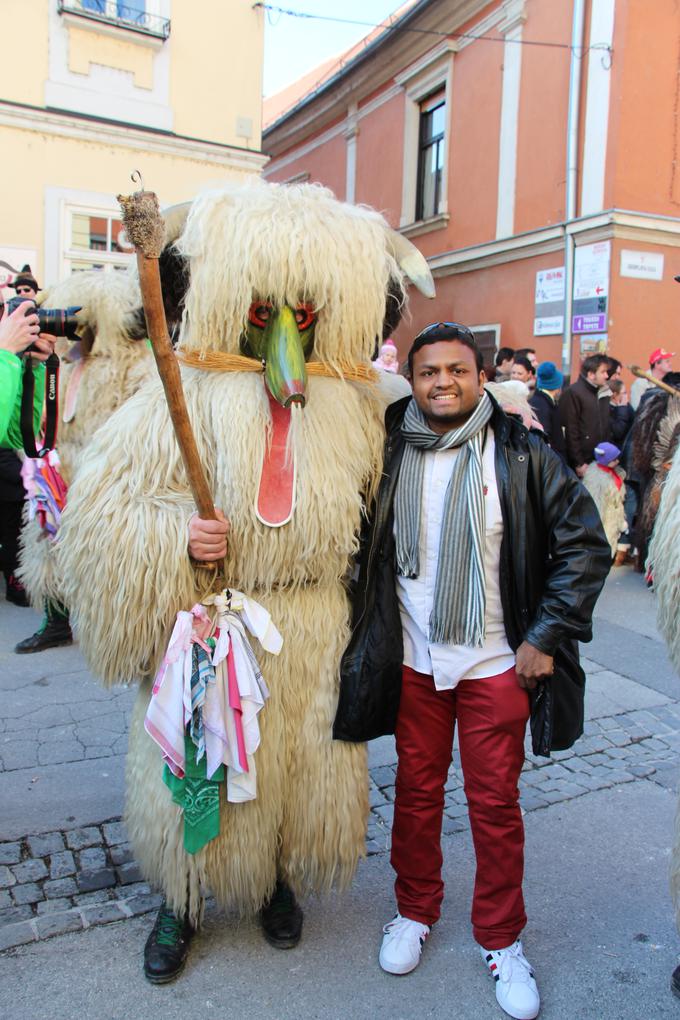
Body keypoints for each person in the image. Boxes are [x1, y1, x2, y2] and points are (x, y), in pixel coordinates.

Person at [56, 180, 435, 985]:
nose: (288, 332)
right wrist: (175, 537)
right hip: (213, 622)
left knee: (298, 768)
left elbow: (427, 466)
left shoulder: (361, 406)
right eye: (267, 311)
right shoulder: (181, 394)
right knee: (198, 768)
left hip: (314, 626)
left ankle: (274, 882)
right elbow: (102, 512)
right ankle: (182, 899)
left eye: (305, 311)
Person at [335, 322, 610, 1020]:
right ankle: (414, 911)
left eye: (456, 370)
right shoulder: (386, 449)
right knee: (417, 798)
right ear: (414, 379)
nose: (442, 383)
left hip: (496, 662)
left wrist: (545, 636)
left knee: (494, 809)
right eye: (428, 372)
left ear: (480, 376)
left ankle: (502, 939)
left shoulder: (522, 452)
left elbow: (585, 547)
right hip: (415, 662)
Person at [558, 353, 611, 477]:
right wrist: (579, 462)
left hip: (601, 458)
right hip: (583, 462)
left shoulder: (603, 392)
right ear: (591, 374)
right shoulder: (573, 393)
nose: (607, 376)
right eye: (603, 372)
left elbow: (606, 426)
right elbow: (571, 429)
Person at [582, 442, 628, 561]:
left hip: (613, 516)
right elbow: (595, 501)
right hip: (603, 518)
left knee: (610, 540)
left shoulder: (614, 473)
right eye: (614, 459)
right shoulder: (596, 478)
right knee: (602, 542)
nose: (617, 462)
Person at [529, 361, 565, 457]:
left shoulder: (543, 400)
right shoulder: (541, 404)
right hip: (551, 461)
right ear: (557, 386)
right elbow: (544, 438)